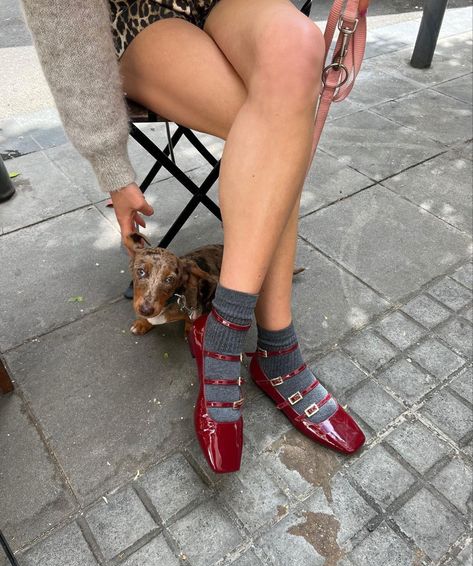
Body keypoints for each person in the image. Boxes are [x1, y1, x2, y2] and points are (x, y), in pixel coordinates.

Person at [21, 0, 365, 473]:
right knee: (280, 125)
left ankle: (225, 336)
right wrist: (110, 164)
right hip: (143, 16)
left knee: (300, 44)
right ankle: (275, 352)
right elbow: (60, 17)